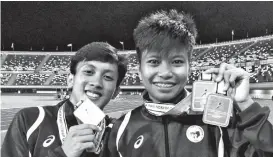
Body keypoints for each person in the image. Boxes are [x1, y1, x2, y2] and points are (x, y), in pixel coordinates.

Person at [106, 10, 273, 157]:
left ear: (189, 67)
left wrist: (247, 106)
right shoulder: (121, 129)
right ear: (140, 69)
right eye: (154, 62)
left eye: (177, 61)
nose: (165, 73)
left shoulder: (220, 121)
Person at [1, 42, 127, 157]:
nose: (96, 82)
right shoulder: (29, 120)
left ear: (116, 92)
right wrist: (63, 153)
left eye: (108, 77)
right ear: (71, 80)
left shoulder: (123, 135)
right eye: (88, 72)